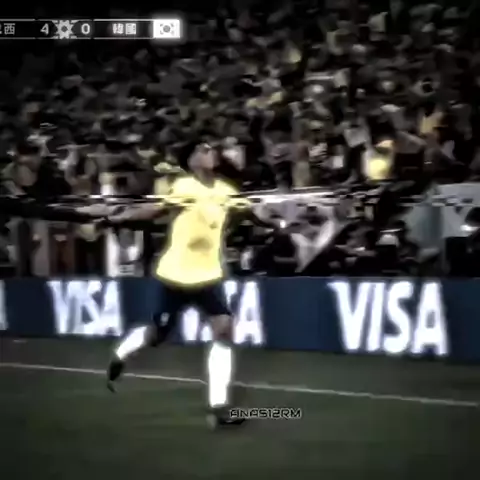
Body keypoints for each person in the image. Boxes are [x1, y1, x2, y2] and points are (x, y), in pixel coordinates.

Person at [105, 142, 258, 429]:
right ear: (192, 160)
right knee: (158, 334)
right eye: (202, 150)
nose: (209, 153)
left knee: (223, 328)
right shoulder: (184, 186)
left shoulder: (225, 191)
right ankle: (122, 352)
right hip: (176, 275)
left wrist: (281, 220)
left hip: (209, 274)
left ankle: (219, 406)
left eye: (211, 149)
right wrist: (122, 216)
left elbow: (253, 212)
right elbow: (155, 211)